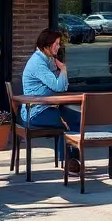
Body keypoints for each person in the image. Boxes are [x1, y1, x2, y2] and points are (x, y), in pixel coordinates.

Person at [21, 27, 83, 172]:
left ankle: (74, 159)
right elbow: (58, 86)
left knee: (77, 119)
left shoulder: (48, 60)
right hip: (35, 111)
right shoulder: (38, 63)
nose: (58, 47)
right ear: (46, 45)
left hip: (49, 106)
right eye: (56, 44)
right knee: (65, 124)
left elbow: (63, 86)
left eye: (59, 44)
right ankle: (67, 161)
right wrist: (63, 69)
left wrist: (61, 72)